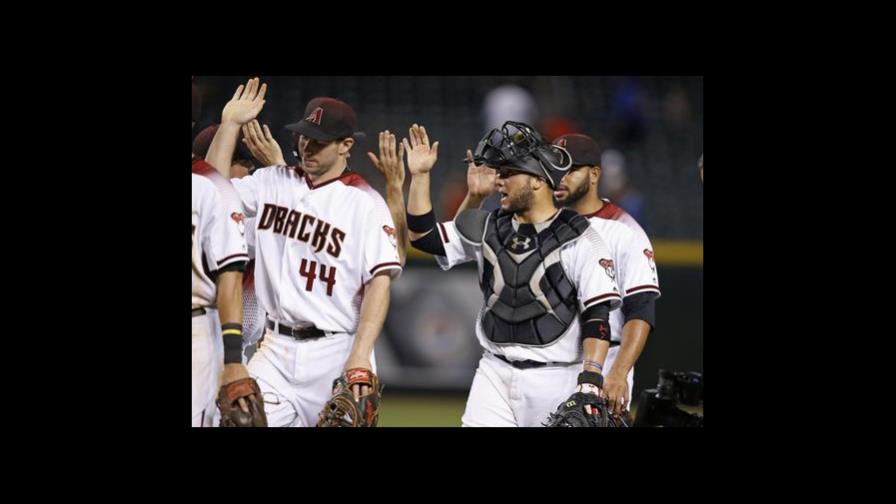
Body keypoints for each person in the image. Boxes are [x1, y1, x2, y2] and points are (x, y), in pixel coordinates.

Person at [205, 78, 402, 426]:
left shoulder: (365, 203)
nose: (308, 147)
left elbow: (380, 284)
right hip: (275, 348)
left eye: (320, 142)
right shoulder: (271, 182)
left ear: (345, 146)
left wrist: (359, 356)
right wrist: (231, 125)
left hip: (336, 349)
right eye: (304, 136)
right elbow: (210, 193)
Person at [402, 121, 622, 427]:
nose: (498, 181)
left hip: (557, 376)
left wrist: (591, 378)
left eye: (508, 173)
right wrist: (421, 176)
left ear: (537, 180)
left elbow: (597, 317)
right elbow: (423, 237)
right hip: (494, 372)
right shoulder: (488, 225)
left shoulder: (582, 239)